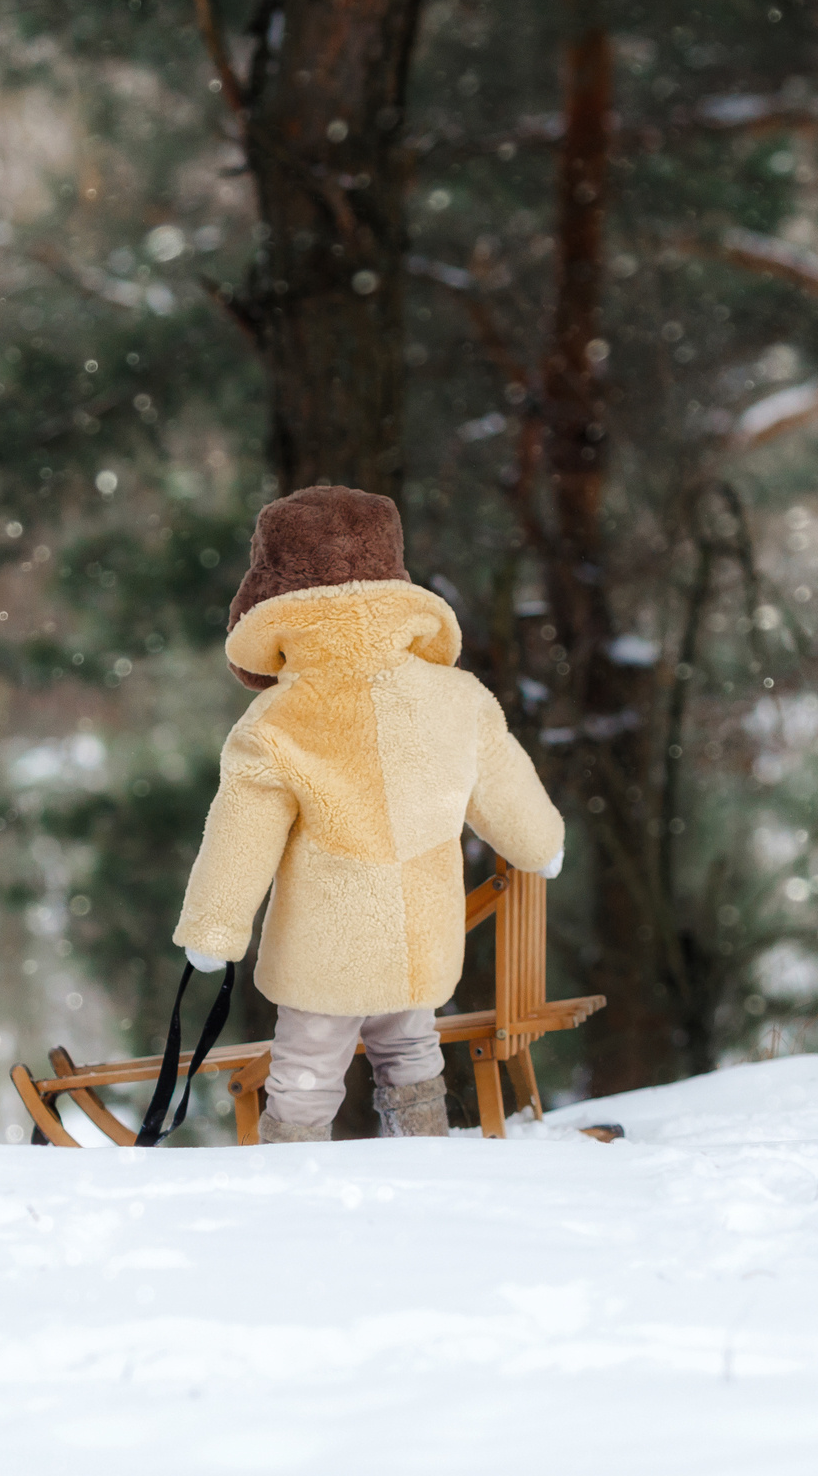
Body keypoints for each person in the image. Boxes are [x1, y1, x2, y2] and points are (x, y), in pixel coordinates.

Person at [174, 485, 564, 1142]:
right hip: (421, 940)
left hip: (327, 948)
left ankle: (293, 1180)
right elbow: (509, 794)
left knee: (305, 1070)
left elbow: (243, 838)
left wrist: (215, 930)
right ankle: (421, 1152)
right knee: (412, 1052)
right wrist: (542, 844)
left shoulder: (276, 721)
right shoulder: (458, 698)